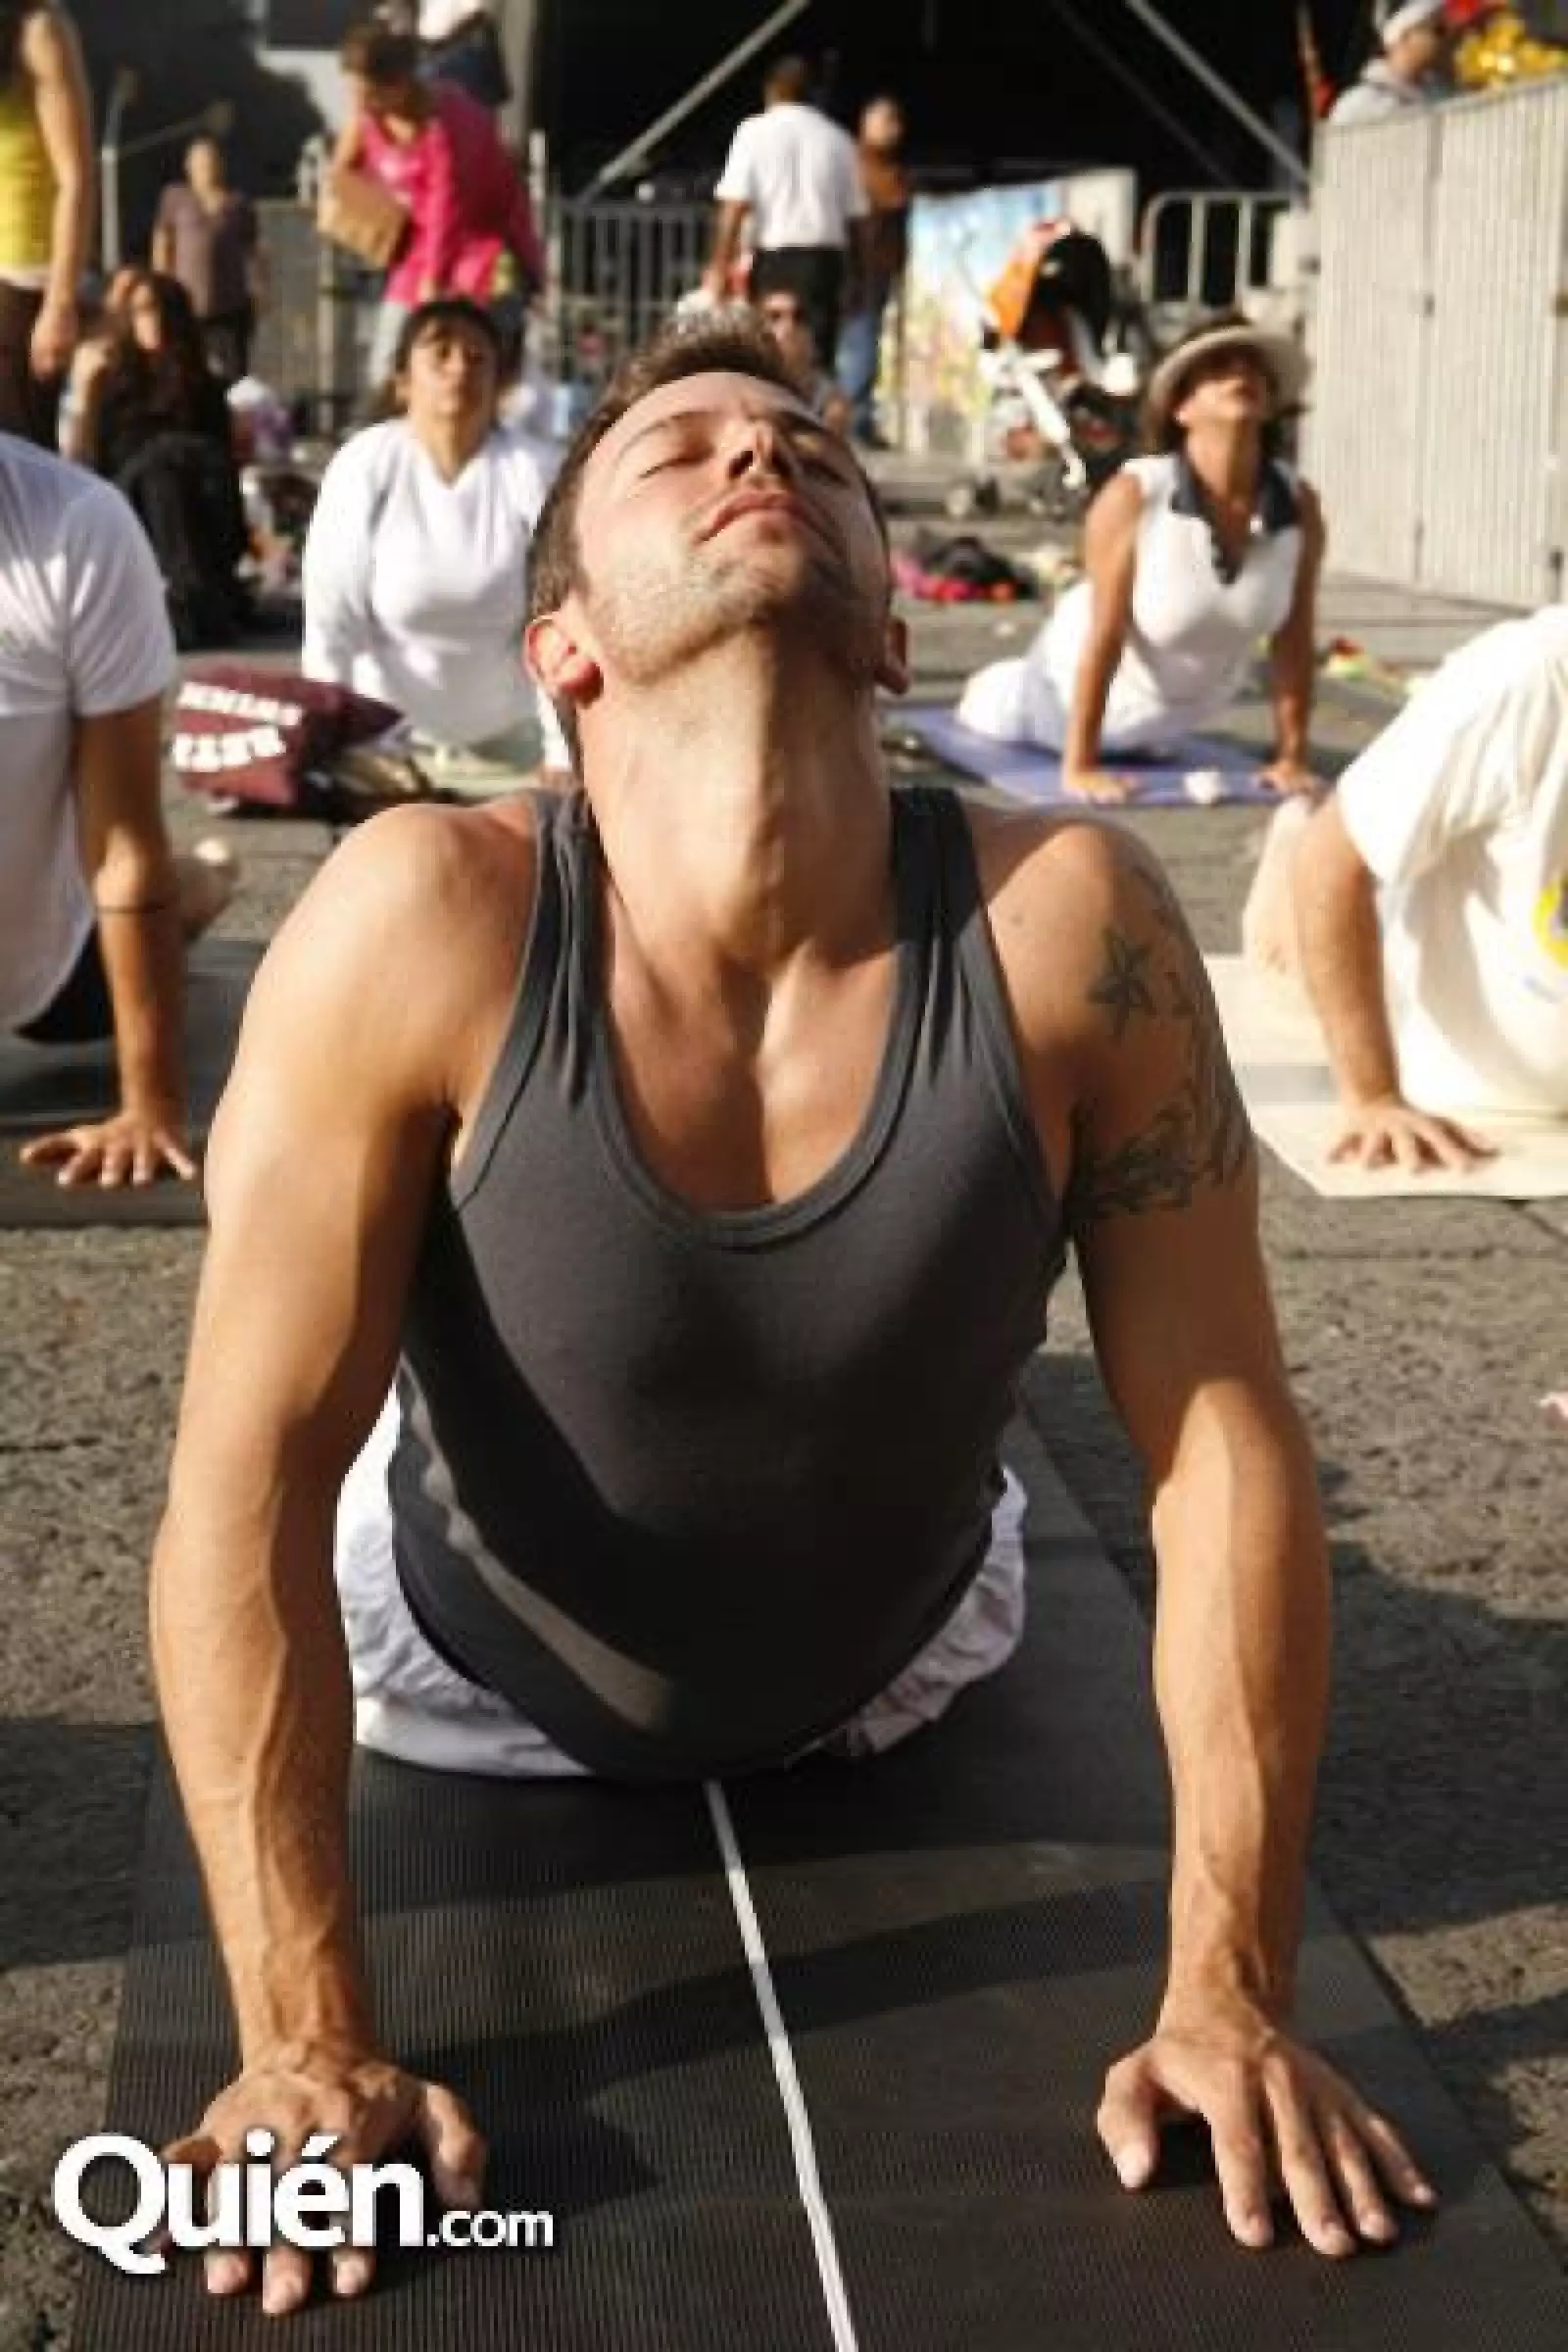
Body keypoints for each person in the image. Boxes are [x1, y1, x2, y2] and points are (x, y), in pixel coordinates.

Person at [149, 313, 1436, 2316]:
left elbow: (1219, 1444)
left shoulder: (1070, 927)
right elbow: (238, 1476)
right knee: (351, 1449)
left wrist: (1228, 1991)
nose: (762, 460)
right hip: (467, 1674)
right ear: (563, 647)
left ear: (891, 632)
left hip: (906, 1658)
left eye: (810, 453)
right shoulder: (420, 915)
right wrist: (303, 2035)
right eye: (681, 454)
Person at [1241, 606, 1568, 1172]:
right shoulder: (1528, 676)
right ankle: (1291, 834)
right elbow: (1331, 862)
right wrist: (1372, 1098)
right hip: (1442, 1045)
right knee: (1298, 943)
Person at [957, 315, 1325, 806]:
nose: (1241, 376)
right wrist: (1080, 765)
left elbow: (1294, 637)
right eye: (1217, 369)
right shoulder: (1137, 493)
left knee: (1143, 737)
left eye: (1253, 368)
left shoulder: (1298, 503)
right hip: (1065, 692)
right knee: (989, 703)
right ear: (1182, 407)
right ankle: (1002, 689)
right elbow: (1102, 634)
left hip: (1177, 714)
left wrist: (1292, 757)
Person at [0, 433, 237, 1188]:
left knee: (179, 886)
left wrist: (150, 1106)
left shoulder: (78, 525)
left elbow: (125, 847)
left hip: (50, 965)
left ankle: (208, 878)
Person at [302, 294, 566, 779]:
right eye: (439, 353)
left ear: (499, 382)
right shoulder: (364, 464)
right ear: (402, 381)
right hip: (385, 747)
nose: (459, 368)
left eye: (476, 356)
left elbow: (564, 620)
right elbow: (330, 621)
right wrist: (327, 747)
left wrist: (561, 753)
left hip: (514, 745)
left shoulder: (536, 470)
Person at [334, 21, 545, 397]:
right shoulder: (369, 120)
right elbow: (341, 172)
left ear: (398, 82)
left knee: (472, 366)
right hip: (414, 257)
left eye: (369, 94)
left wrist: (432, 287)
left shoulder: (447, 124)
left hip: (484, 255)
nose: (360, 105)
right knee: (387, 367)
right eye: (354, 93)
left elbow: (447, 211)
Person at [65, 270, 249, 650]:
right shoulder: (111, 381)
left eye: (162, 310)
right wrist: (85, 394)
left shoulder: (203, 385)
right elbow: (87, 459)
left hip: (198, 498)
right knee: (160, 467)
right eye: (143, 311)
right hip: (130, 498)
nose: (154, 321)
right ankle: (187, 596)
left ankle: (189, 593)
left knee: (175, 463)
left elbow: (225, 462)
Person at [704, 54, 871, 375]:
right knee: (817, 360)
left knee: (767, 356)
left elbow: (734, 206)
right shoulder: (838, 139)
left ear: (772, 91)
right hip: (824, 262)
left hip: (773, 258)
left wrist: (720, 266)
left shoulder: (753, 132)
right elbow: (857, 219)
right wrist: (859, 278)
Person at [0, 2, 91, 445]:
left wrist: (60, 302)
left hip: (21, 280)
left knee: (19, 467)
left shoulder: (38, 30)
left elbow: (75, 176)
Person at [152, 135, 269, 388]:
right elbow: (162, 242)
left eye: (211, 162)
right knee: (184, 371)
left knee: (234, 376)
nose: (207, 168)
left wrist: (260, 290)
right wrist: (161, 291)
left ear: (221, 166)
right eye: (201, 163)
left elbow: (255, 252)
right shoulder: (175, 198)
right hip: (186, 308)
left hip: (230, 307)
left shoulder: (238, 204)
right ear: (189, 167)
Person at [836, 94, 909, 450]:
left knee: (865, 345)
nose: (895, 130)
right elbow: (886, 203)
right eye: (886, 121)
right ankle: (852, 420)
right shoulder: (861, 165)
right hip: (859, 272)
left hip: (875, 271)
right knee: (860, 347)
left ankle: (858, 417)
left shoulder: (887, 166)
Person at [1328, 0, 1449, 124]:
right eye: (1438, 30)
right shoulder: (1359, 104)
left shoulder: (1443, 98)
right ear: (1404, 35)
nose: (1444, 38)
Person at [756, 284, 851, 434]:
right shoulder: (742, 387)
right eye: (775, 317)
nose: (789, 325)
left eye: (799, 317)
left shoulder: (829, 399)